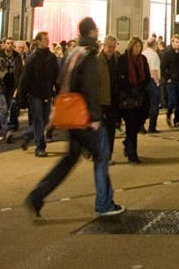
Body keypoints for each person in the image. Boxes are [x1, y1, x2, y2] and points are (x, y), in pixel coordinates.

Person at [25, 17, 124, 218]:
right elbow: (90, 88)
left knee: (70, 159)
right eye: (96, 29)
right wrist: (95, 118)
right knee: (101, 156)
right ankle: (104, 203)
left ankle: (38, 194)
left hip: (71, 114)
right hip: (84, 117)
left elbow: (62, 81)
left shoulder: (73, 53)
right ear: (92, 32)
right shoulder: (88, 56)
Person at [17, 31, 58, 156]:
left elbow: (56, 75)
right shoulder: (32, 59)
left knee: (45, 121)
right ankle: (40, 147)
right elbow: (24, 79)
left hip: (47, 92)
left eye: (48, 39)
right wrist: (21, 96)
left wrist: (58, 89)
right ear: (38, 41)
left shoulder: (52, 58)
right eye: (45, 39)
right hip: (35, 94)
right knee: (39, 120)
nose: (47, 41)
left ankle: (27, 134)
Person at [117, 37, 149, 164]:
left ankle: (127, 143)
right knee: (131, 126)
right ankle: (132, 154)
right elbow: (120, 79)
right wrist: (129, 90)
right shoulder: (123, 60)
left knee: (138, 123)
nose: (137, 49)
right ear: (131, 47)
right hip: (127, 97)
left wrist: (140, 88)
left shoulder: (143, 60)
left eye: (139, 47)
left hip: (140, 97)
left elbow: (146, 77)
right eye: (135, 46)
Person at [0, 38, 22, 142]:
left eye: (11, 43)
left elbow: (20, 71)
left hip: (11, 86)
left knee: (6, 110)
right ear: (4, 45)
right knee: (3, 109)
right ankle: (7, 131)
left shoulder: (17, 57)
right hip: (0, 86)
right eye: (8, 43)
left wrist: (19, 85)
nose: (9, 45)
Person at [97, 36, 120, 167]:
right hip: (102, 100)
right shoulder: (97, 61)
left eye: (113, 47)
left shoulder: (117, 60)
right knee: (101, 130)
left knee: (111, 130)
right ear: (104, 46)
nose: (111, 49)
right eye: (109, 47)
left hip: (113, 100)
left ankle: (108, 155)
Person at [160, 34, 179, 129]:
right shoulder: (167, 54)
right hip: (171, 80)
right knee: (172, 99)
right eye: (175, 42)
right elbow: (163, 68)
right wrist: (167, 78)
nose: (177, 44)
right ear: (172, 42)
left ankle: (176, 121)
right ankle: (168, 114)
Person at [142, 38, 161, 133]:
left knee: (144, 104)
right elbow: (154, 70)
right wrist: (157, 82)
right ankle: (152, 127)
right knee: (154, 105)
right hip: (152, 81)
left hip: (143, 81)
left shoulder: (143, 53)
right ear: (155, 45)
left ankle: (141, 126)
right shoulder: (154, 55)